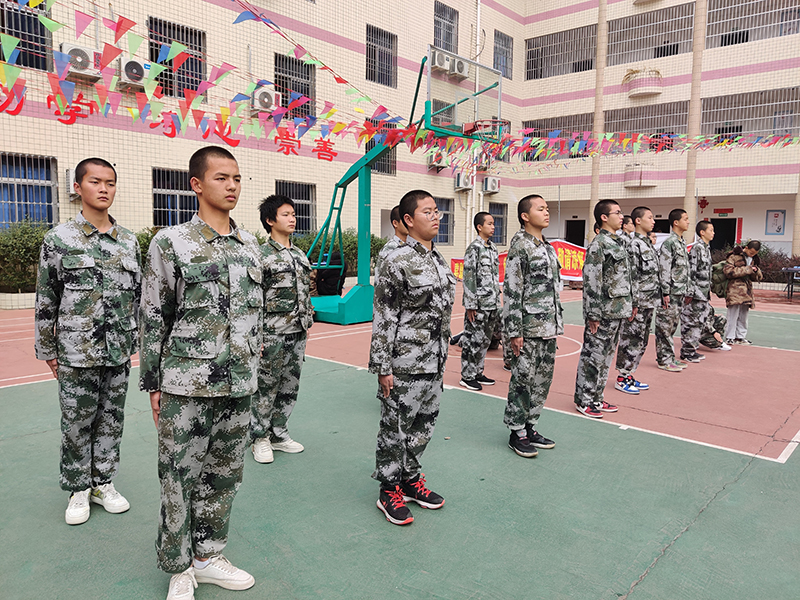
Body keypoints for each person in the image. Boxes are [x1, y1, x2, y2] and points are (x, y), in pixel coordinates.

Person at [139, 147, 261, 599]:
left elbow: (255, 317)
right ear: (196, 184)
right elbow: (154, 316)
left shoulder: (250, 245)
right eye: (221, 177)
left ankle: (208, 557)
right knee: (178, 477)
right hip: (186, 384)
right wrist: (153, 384)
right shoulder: (171, 242)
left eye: (237, 178)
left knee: (224, 474)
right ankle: (179, 567)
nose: (231, 186)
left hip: (239, 383)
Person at [35, 157, 139, 525]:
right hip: (75, 352)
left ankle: (102, 482)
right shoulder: (59, 239)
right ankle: (78, 488)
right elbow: (47, 297)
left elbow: (137, 297)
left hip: (117, 350)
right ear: (78, 188)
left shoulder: (128, 241)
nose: (104, 189)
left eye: (110, 182)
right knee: (77, 421)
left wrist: (136, 343)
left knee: (111, 419)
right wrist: (47, 349)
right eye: (95, 181)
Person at [369, 190, 456, 525]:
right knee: (395, 428)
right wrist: (383, 367)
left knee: (424, 425)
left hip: (434, 361)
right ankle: (389, 489)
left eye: (437, 211)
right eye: (427, 212)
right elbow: (384, 316)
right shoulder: (396, 261)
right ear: (408, 220)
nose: (435, 217)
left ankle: (410, 479)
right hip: (405, 363)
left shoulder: (439, 260)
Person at [251, 194, 314, 464]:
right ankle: (259, 437)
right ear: (270, 220)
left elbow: (305, 293)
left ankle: (278, 433)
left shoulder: (299, 254)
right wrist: (257, 337)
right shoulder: (260, 255)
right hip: (271, 333)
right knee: (266, 386)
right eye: (286, 214)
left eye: (294, 214)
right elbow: (253, 299)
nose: (292, 219)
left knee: (289, 385)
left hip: (297, 331)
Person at [503, 195, 562, 456]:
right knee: (522, 381)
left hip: (548, 327)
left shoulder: (547, 247)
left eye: (547, 208)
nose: (546, 212)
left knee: (541, 381)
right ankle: (516, 431)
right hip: (528, 328)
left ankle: (530, 425)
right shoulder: (521, 246)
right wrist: (514, 331)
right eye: (541, 209)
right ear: (525, 216)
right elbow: (512, 291)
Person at [574, 199, 636, 418]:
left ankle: (596, 397)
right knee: (593, 356)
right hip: (603, 312)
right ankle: (584, 399)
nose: (622, 216)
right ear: (604, 217)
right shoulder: (599, 244)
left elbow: (625, 278)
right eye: (617, 213)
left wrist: (631, 303)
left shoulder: (618, 242)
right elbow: (592, 280)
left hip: (617, 310)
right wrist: (593, 313)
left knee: (606, 356)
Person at [614, 206, 658, 394]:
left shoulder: (647, 244)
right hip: (638, 303)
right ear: (638, 221)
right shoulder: (633, 245)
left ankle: (629, 374)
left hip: (649, 301)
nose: (653, 221)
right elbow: (631, 276)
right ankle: (622, 377)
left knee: (641, 340)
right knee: (630, 339)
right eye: (650, 217)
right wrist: (633, 303)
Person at [459, 211, 500, 391]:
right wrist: (470, 304)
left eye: (493, 224)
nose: (493, 227)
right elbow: (469, 277)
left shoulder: (492, 248)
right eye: (489, 224)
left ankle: (477, 372)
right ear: (479, 227)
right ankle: (467, 376)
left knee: (484, 341)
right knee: (472, 340)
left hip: (492, 303)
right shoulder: (474, 248)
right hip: (478, 305)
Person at [655, 209, 690, 372]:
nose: (688, 222)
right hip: (670, 292)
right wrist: (665, 292)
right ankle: (664, 360)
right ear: (676, 222)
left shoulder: (681, 242)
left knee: (672, 326)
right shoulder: (669, 243)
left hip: (679, 292)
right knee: (665, 327)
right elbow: (665, 269)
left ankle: (669, 357)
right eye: (685, 219)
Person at [680, 221, 715, 363]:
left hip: (703, 293)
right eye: (711, 230)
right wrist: (690, 292)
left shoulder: (706, 249)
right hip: (696, 293)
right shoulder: (697, 249)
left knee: (699, 322)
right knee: (691, 322)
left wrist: (708, 290)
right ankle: (687, 351)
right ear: (702, 232)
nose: (713, 233)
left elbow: (708, 273)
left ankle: (692, 349)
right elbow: (691, 272)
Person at [724, 240, 763, 345]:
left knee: (743, 315)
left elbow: (757, 278)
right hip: (734, 289)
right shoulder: (733, 256)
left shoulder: (754, 259)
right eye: (751, 252)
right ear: (746, 248)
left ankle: (740, 336)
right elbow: (728, 272)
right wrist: (747, 269)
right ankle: (729, 336)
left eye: (754, 253)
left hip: (747, 290)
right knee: (733, 314)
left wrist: (756, 271)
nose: (752, 255)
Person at [374, 204, 408, 280]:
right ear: (395, 223)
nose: (409, 224)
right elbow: (380, 281)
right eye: (404, 221)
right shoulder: (389, 250)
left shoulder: (414, 246)